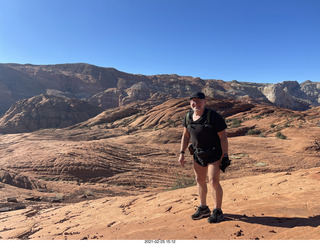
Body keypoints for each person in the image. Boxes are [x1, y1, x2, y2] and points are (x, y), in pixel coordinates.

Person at [178, 91, 229, 223]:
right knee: (200, 180)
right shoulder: (188, 116)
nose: (196, 104)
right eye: (193, 101)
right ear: (190, 103)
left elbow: (223, 137)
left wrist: (225, 155)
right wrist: (182, 152)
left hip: (214, 153)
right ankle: (203, 208)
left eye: (199, 101)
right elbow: (186, 136)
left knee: (213, 181)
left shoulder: (213, 116)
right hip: (198, 153)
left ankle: (218, 211)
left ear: (204, 102)